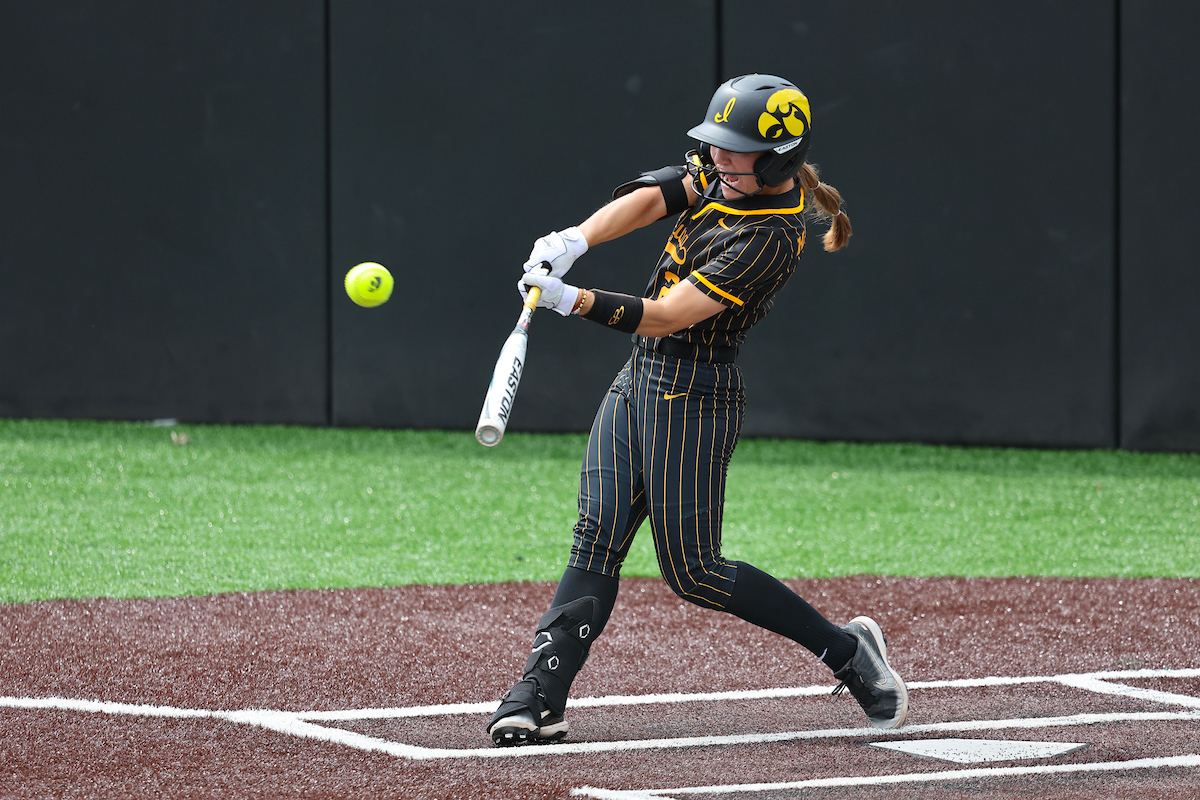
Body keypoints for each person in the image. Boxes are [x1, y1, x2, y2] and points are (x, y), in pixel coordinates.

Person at [486, 74, 907, 746]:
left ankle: (848, 652)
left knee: (694, 572)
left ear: (777, 159)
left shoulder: (772, 238)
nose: (719, 159)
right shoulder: (725, 174)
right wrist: (575, 239)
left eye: (735, 151)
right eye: (716, 147)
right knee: (596, 532)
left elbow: (666, 316)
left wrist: (574, 299)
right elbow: (655, 195)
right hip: (640, 381)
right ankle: (540, 692)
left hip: (695, 395)